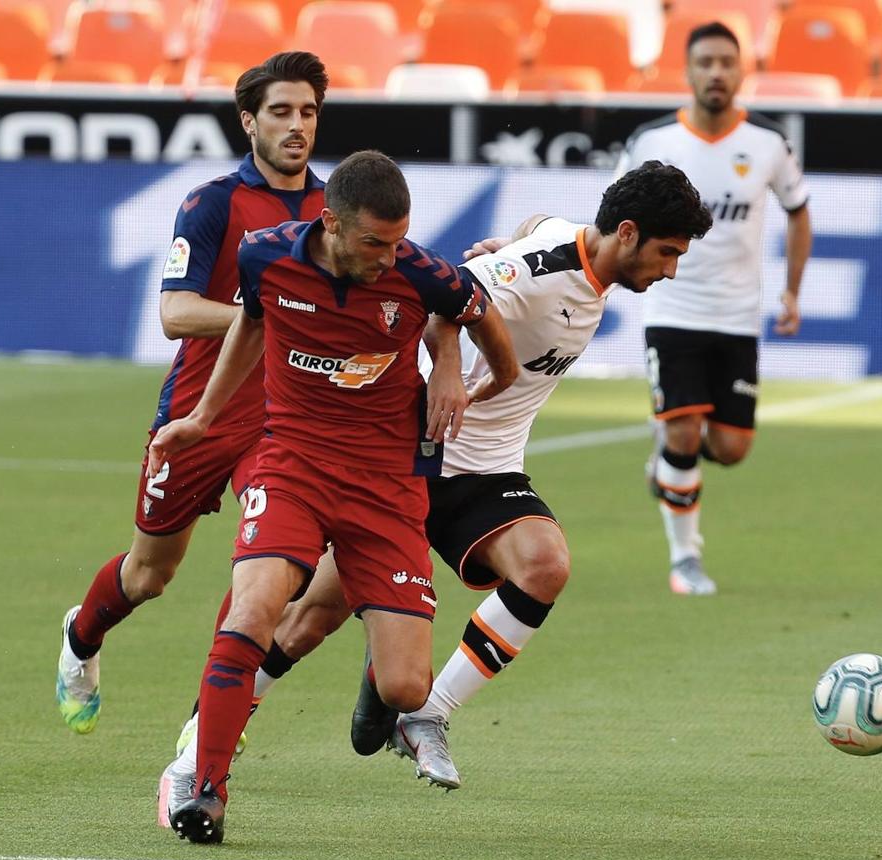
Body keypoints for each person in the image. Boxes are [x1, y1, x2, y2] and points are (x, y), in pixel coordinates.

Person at [173, 161, 713, 792]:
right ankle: (204, 737)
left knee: (544, 565)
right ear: (625, 233)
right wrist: (452, 366)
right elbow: (448, 302)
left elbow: (538, 227)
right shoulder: (534, 276)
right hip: (415, 458)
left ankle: (426, 714)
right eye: (668, 252)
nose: (671, 269)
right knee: (308, 618)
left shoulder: (568, 250)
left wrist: (515, 238)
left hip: (484, 467)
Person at [149, 149, 520, 843]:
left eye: (399, 238)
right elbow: (250, 327)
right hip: (293, 465)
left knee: (407, 688)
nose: (389, 255)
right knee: (257, 605)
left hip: (387, 485)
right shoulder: (265, 257)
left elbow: (481, 321)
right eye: (375, 241)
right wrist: (201, 417)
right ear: (332, 224)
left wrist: (462, 380)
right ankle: (202, 782)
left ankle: (376, 637)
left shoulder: (419, 271)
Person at [53, 52, 331, 735]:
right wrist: (270, 311)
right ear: (248, 122)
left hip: (282, 421)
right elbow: (175, 313)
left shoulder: (337, 209)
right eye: (281, 112)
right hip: (196, 416)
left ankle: (209, 716)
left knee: (270, 571)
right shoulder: (212, 203)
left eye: (309, 112)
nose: (297, 126)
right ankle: (81, 638)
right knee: (149, 575)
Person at [612, 21, 813, 596]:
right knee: (682, 433)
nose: (717, 72)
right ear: (688, 69)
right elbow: (614, 216)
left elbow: (798, 211)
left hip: (736, 316)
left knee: (730, 448)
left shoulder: (770, 142)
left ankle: (669, 459)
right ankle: (685, 560)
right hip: (670, 308)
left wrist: (792, 291)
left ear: (743, 69)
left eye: (728, 62)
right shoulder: (651, 141)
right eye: (706, 62)